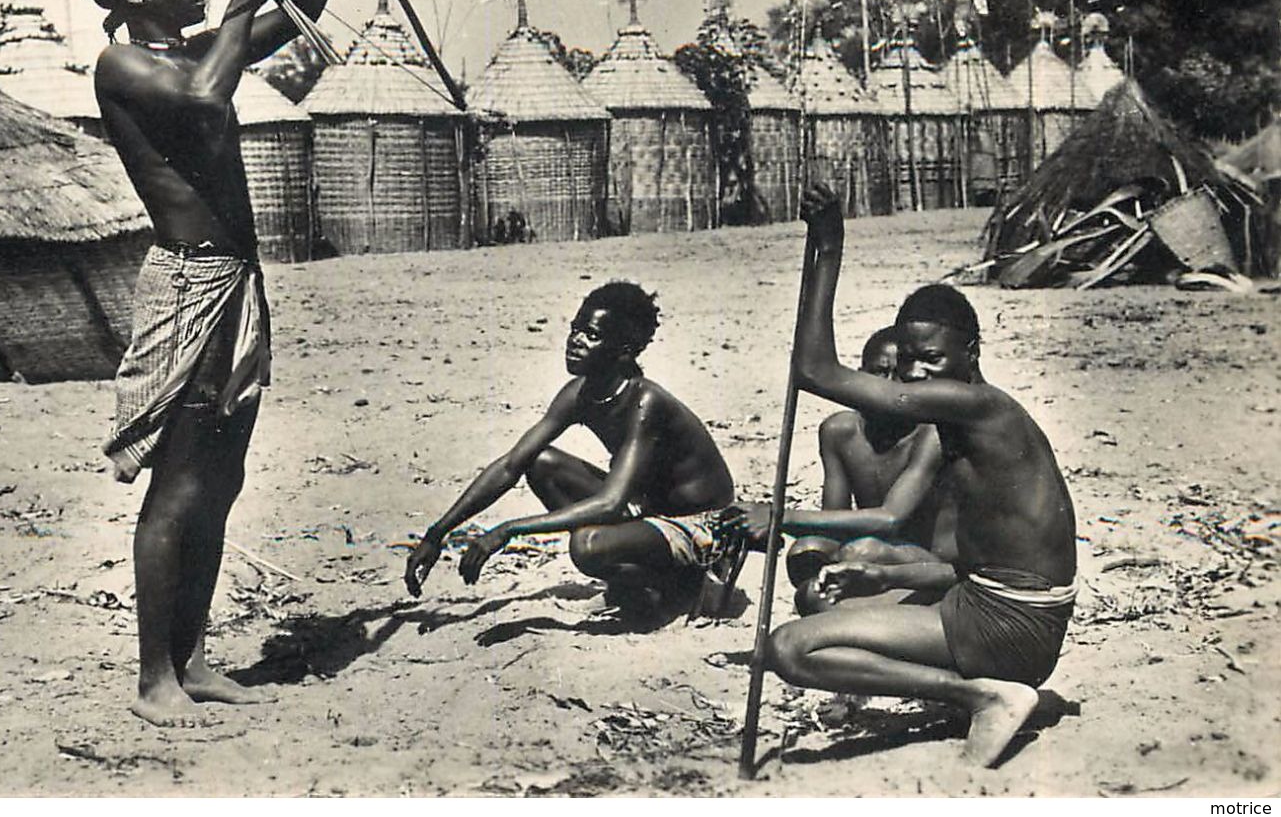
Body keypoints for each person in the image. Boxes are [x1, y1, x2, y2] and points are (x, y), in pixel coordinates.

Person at [81, 0, 345, 727]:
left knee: (220, 482)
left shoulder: (193, 50)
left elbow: (299, 15)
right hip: (191, 287)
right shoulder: (122, 67)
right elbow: (204, 98)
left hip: (235, 282)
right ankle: (152, 676)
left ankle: (192, 660)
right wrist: (236, 1)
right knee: (179, 486)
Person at [764, 182, 1078, 767]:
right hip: (990, 606)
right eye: (906, 359)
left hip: (1010, 629)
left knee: (787, 648)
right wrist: (868, 571)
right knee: (820, 606)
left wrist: (828, 244)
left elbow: (813, 369)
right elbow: (967, 559)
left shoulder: (981, 409)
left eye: (930, 360)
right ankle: (982, 690)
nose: (913, 374)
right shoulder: (960, 426)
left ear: (972, 351)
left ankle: (982, 696)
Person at [404, 282, 736, 616]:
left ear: (623, 350)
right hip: (649, 510)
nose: (575, 341)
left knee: (587, 545)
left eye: (591, 335)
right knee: (541, 464)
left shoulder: (645, 401)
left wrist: (508, 529)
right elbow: (510, 466)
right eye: (575, 329)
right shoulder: (579, 393)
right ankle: (639, 584)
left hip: (702, 526)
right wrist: (438, 533)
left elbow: (610, 503)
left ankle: (679, 584)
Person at [735, 327, 954, 615]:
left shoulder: (929, 435)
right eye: (878, 372)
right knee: (807, 550)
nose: (888, 385)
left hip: (927, 563)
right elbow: (832, 521)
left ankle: (856, 617)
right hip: (871, 550)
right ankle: (852, 613)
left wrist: (778, 517)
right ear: (859, 376)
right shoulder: (839, 431)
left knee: (862, 551)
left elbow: (891, 519)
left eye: (898, 375)